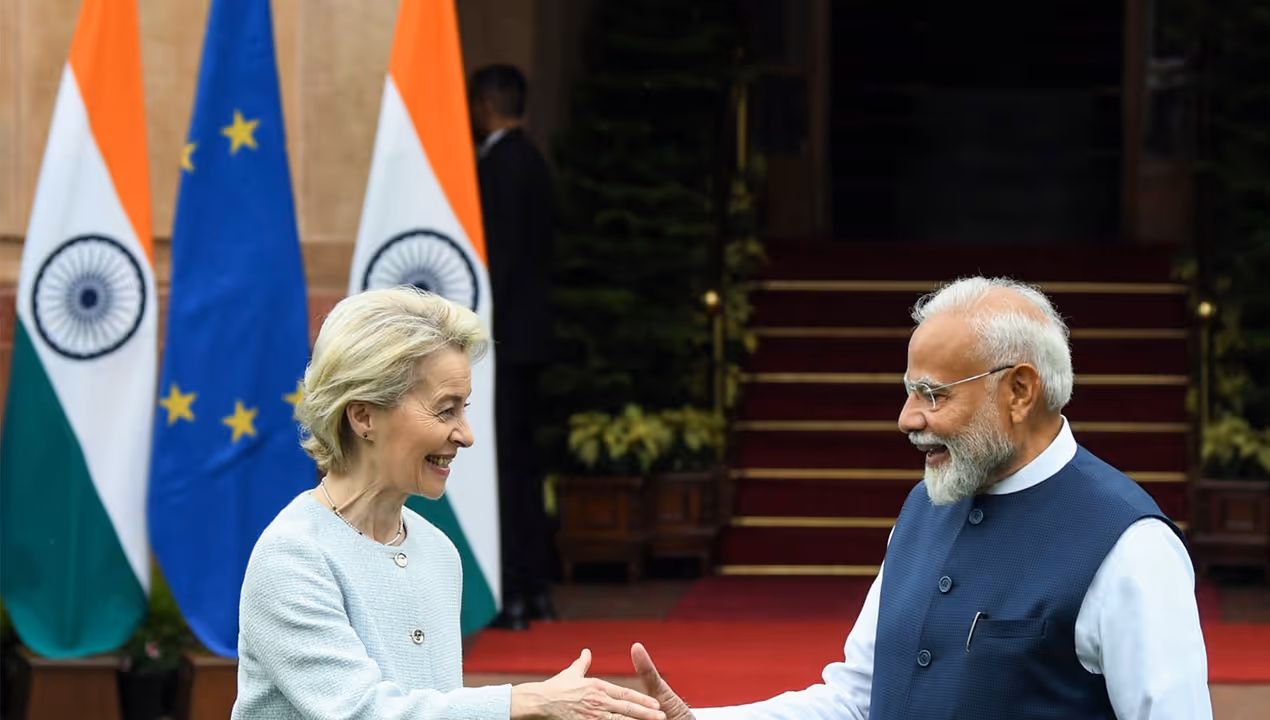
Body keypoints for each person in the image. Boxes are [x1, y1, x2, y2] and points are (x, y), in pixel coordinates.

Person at [630, 276, 1213, 719]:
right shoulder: (921, 510)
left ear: (1019, 390)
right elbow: (856, 700)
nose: (908, 419)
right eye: (910, 391)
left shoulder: (1131, 545)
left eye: (932, 394)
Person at [232, 287, 665, 720]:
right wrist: (528, 702)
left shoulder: (438, 551)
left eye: (465, 408)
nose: (466, 434)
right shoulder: (292, 557)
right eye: (445, 411)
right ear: (363, 416)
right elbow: (364, 713)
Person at [468, 63, 558, 630]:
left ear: (484, 107)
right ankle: (534, 588)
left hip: (502, 341)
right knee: (522, 467)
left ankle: (513, 594)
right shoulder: (537, 162)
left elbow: (495, 258)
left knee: (504, 469)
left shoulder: (499, 165)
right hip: (531, 339)